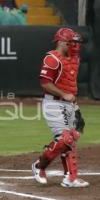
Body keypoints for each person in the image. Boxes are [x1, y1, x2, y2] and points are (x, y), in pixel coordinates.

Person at [31, 27, 89, 187]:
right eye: (72, 42)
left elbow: (70, 83)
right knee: (64, 139)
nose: (75, 46)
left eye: (76, 43)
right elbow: (45, 83)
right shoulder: (52, 59)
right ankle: (39, 165)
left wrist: (74, 103)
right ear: (62, 42)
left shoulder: (74, 59)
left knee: (72, 138)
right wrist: (63, 94)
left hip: (70, 104)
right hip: (54, 103)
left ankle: (71, 178)